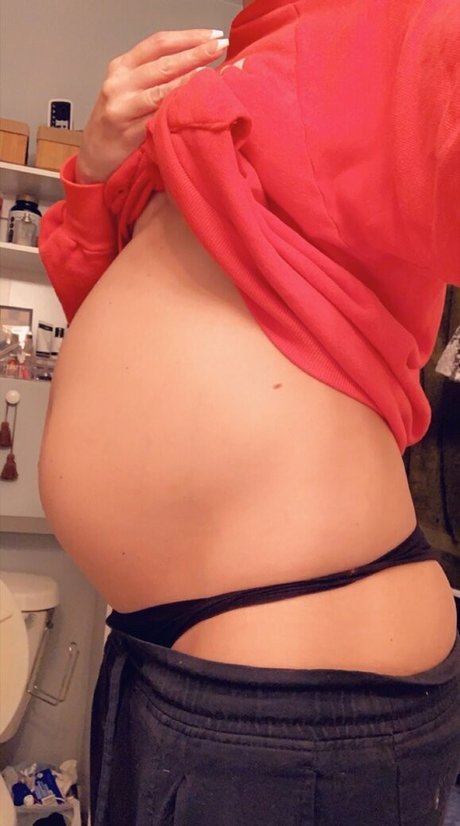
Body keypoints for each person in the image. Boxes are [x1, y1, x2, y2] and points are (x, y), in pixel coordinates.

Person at [38, 1, 460, 823]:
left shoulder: (390, 22)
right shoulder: (240, 60)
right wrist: (100, 170)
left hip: (292, 676)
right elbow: (111, 322)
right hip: (177, 662)